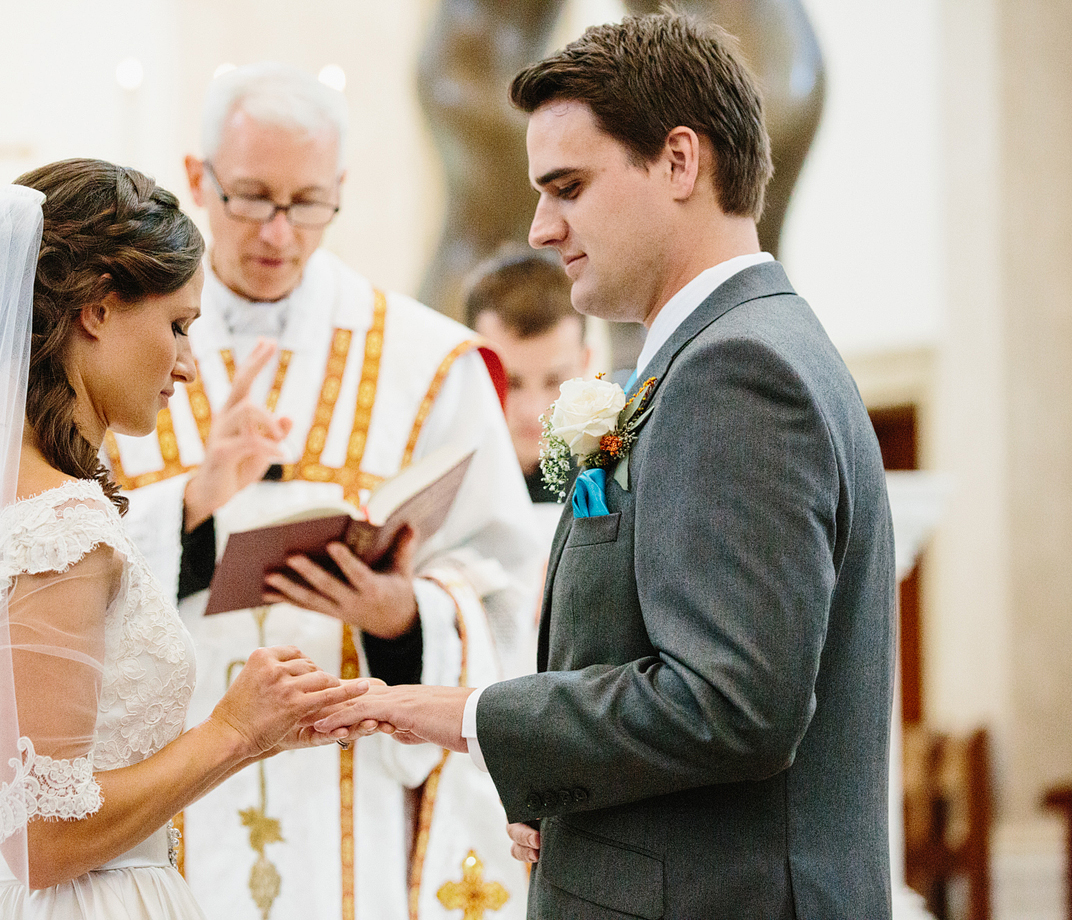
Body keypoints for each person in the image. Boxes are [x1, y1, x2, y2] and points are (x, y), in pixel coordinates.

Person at [316, 13, 896, 918]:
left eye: (569, 187)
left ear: (678, 161)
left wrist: (473, 716)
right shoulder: (723, 350)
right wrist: (571, 805)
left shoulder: (739, 372)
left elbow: (730, 706)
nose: (542, 227)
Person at [0, 160, 379, 918]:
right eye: (179, 325)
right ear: (97, 309)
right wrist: (233, 731)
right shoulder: (58, 528)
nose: (188, 365)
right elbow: (42, 837)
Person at [105, 63, 541, 920]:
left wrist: (404, 616)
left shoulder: (429, 363)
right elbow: (61, 569)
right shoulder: (121, 348)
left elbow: (506, 583)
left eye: (306, 202)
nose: (278, 230)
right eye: (251, 197)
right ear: (198, 180)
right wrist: (191, 508)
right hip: (173, 788)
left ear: (339, 192)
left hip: (356, 795)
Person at [461, 248, 590, 503]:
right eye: (511, 383)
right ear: (468, 369)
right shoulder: (427, 480)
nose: (534, 412)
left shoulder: (623, 484)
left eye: (555, 382)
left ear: (585, 365)